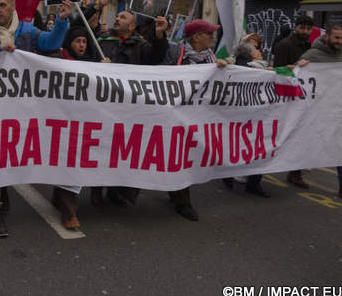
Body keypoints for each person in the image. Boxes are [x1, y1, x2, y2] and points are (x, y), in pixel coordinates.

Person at [0, 0, 72, 237]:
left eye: (3, 5)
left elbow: (50, 43)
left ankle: (2, 191)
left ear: (12, 7)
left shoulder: (26, 29)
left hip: (20, 105)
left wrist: (62, 21)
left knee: (11, 151)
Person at [90, 11, 171, 210]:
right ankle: (96, 190)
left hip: (128, 109)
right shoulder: (103, 41)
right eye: (117, 16)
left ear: (132, 26)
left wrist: (160, 35)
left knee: (122, 151)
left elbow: (156, 57)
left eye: (123, 17)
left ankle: (116, 191)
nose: (117, 19)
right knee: (102, 149)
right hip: (104, 106)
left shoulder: (140, 45)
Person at [158, 19, 228, 220]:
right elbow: (159, 77)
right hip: (176, 114)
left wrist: (220, 68)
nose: (212, 37)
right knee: (178, 155)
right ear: (197, 37)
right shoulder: (174, 54)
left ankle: (176, 192)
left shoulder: (210, 57)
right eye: (209, 33)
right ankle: (182, 201)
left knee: (188, 154)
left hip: (198, 116)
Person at [296, 24, 342, 199]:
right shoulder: (312, 55)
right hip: (314, 111)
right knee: (306, 142)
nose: (341, 41)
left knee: (341, 142)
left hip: (335, 111)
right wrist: (300, 67)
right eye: (337, 38)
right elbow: (297, 79)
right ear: (327, 37)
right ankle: (295, 173)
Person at [52, 25, 101, 229]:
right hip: (64, 118)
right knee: (68, 162)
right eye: (77, 41)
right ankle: (68, 212)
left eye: (84, 42)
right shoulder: (59, 60)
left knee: (77, 162)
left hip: (85, 119)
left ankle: (61, 200)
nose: (81, 45)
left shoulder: (92, 63)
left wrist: (105, 68)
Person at [222, 34, 271, 197]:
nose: (259, 50)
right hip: (251, 114)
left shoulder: (261, 67)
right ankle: (250, 181)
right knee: (253, 146)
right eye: (256, 48)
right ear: (251, 53)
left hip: (249, 114)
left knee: (244, 145)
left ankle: (233, 176)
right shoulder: (251, 68)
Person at [273, 14, 314, 188]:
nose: (305, 31)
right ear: (295, 27)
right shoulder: (284, 45)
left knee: (301, 136)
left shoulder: (309, 45)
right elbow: (278, 71)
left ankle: (295, 173)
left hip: (303, 96)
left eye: (308, 28)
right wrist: (296, 67)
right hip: (288, 96)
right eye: (302, 28)